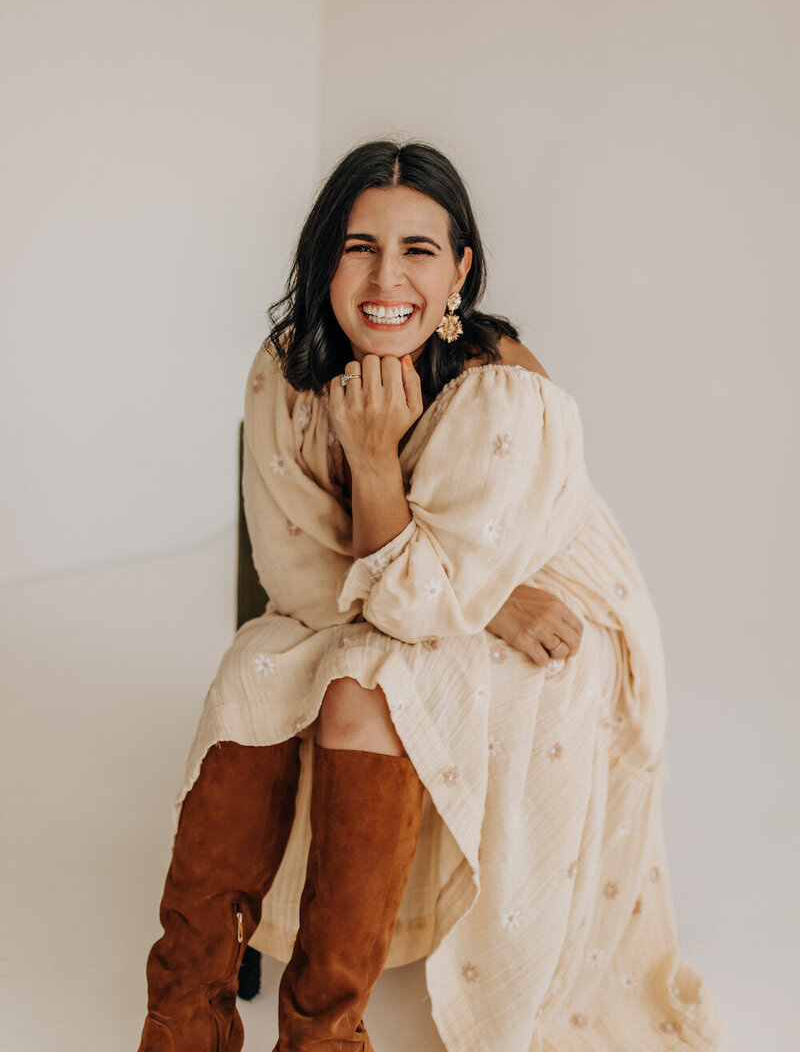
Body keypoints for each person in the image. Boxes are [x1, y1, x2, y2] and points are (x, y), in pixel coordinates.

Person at [136, 140, 724, 1052]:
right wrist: (460, 595)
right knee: (254, 666)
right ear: (323, 257)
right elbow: (296, 578)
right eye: (359, 245)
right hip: (432, 587)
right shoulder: (284, 369)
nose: (386, 277)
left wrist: (376, 461)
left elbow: (420, 605)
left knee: (368, 682)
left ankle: (321, 1035)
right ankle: (184, 1015)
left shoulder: (502, 388)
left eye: (418, 249)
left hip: (544, 591)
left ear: (461, 271)